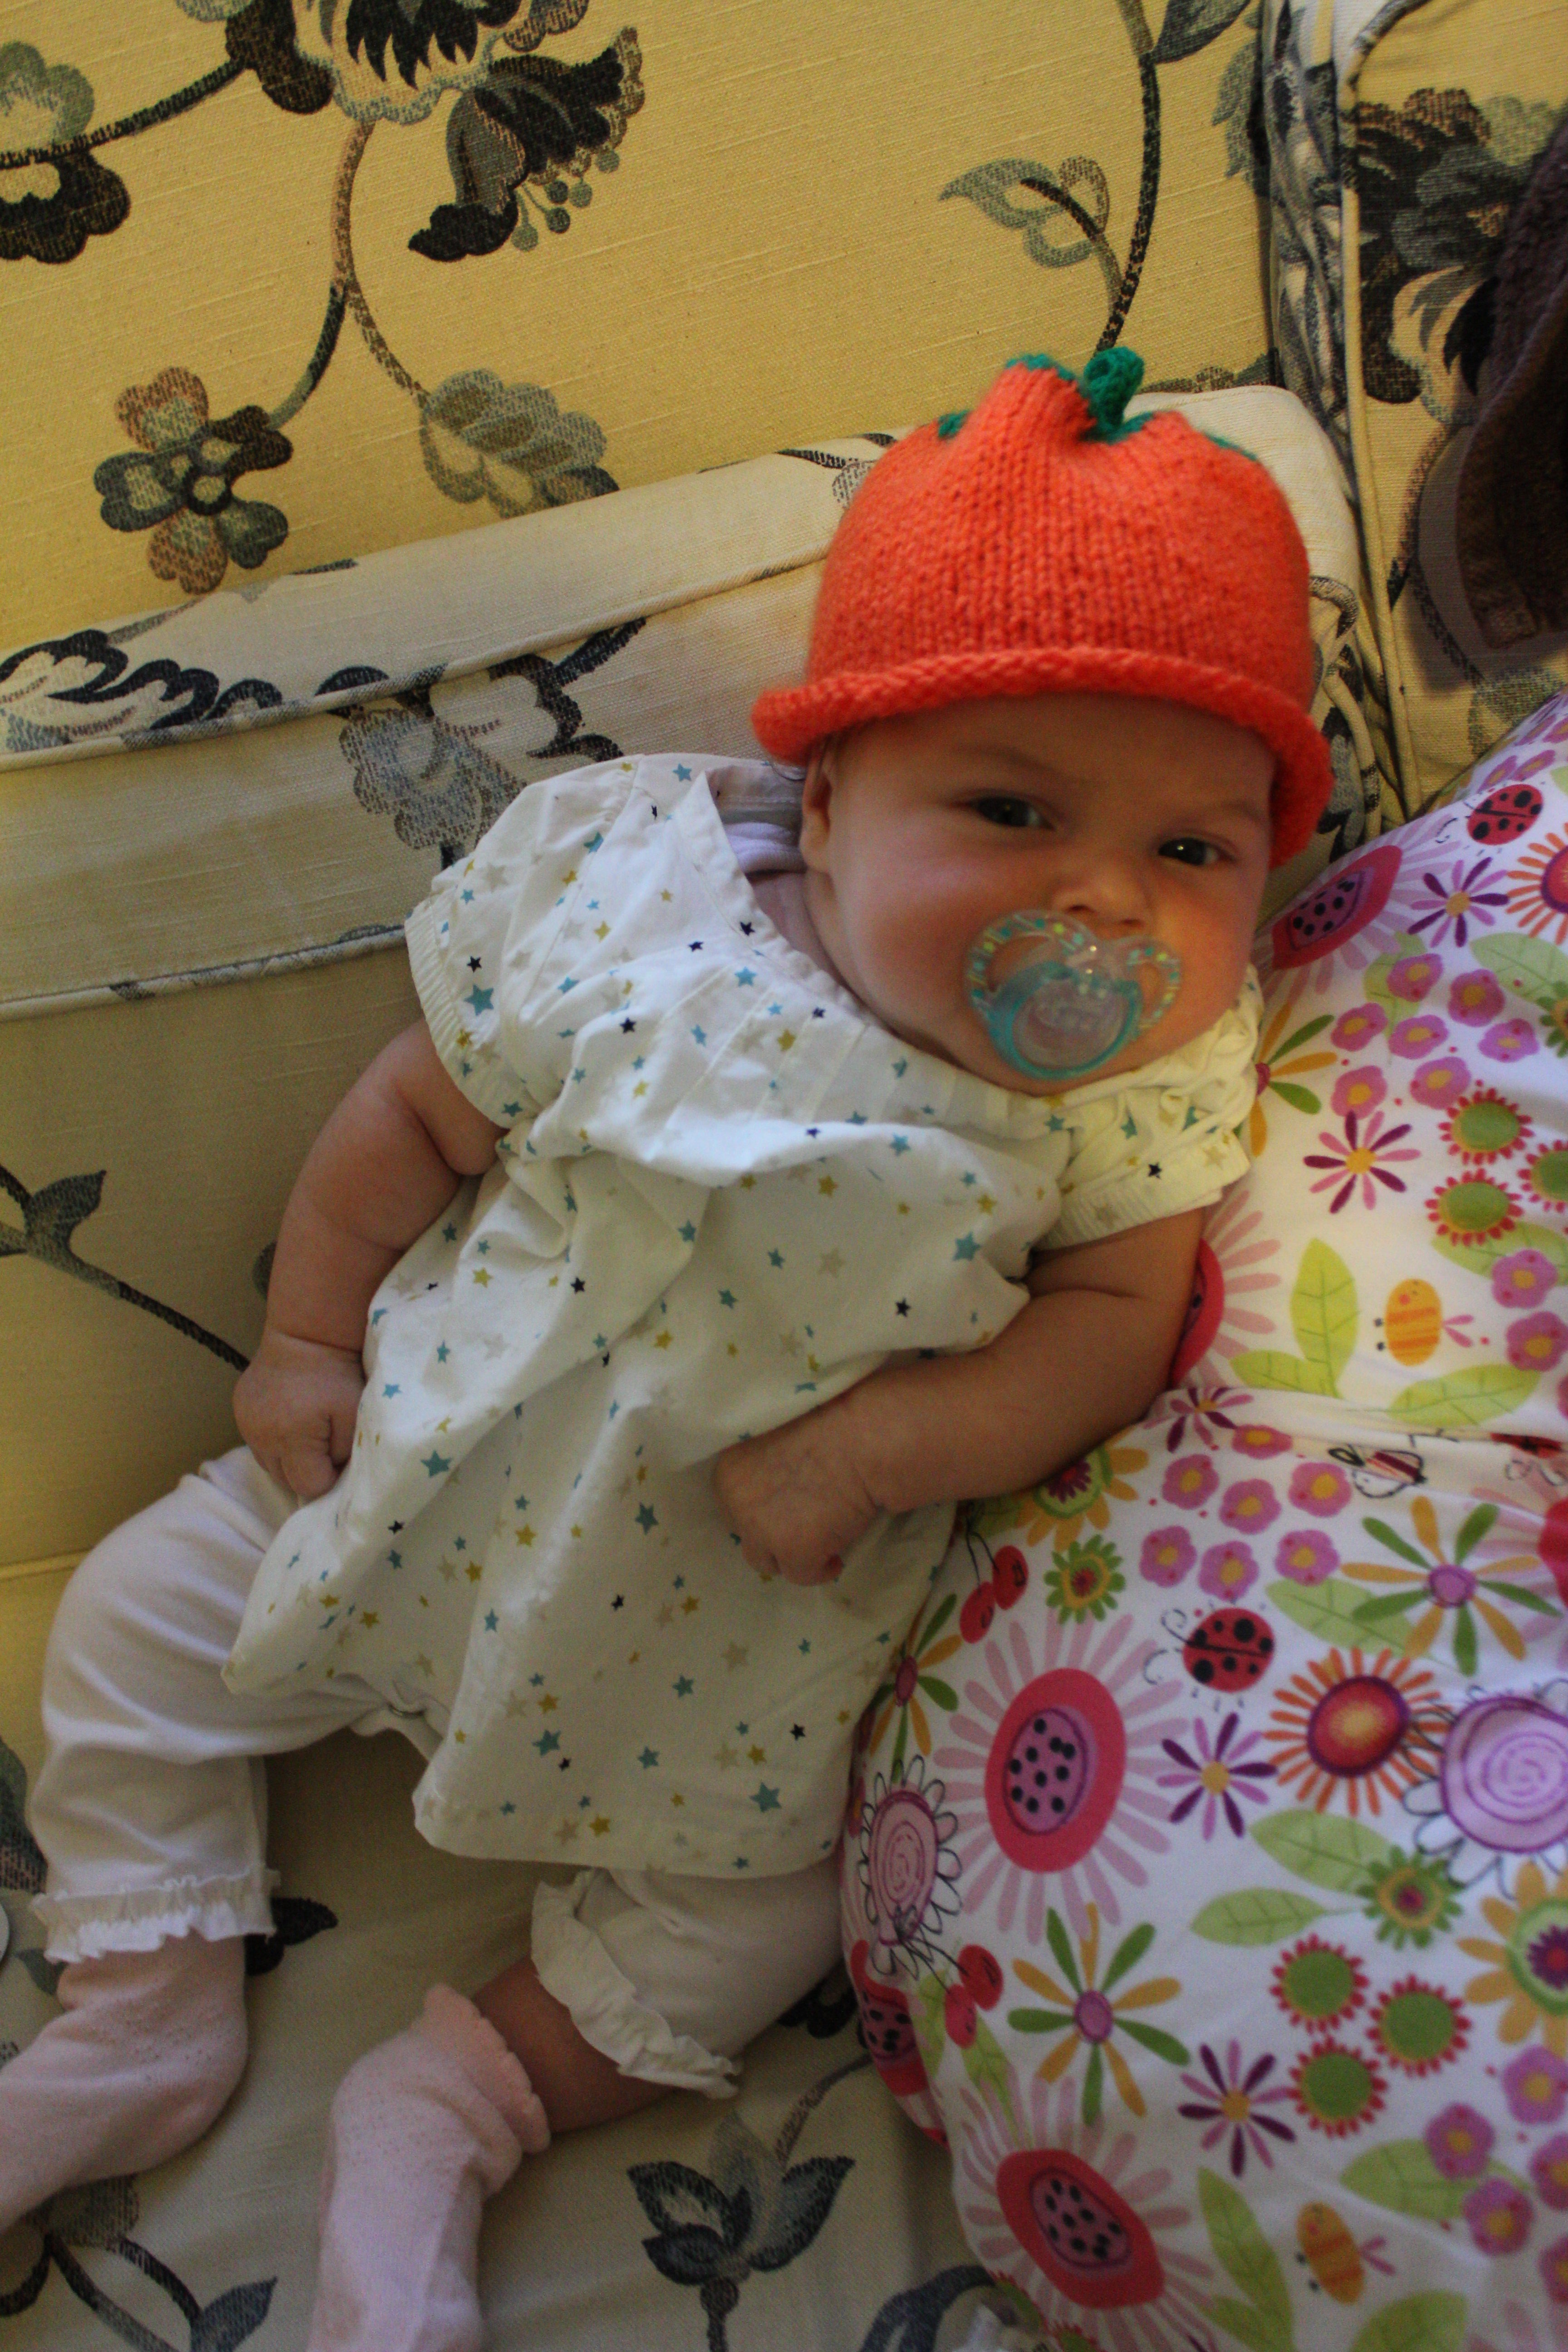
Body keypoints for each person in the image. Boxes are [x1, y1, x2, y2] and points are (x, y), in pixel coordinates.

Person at [3, 347, 1331, 2350]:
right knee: (126, 1624)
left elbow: (1115, 1330)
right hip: (415, 1480)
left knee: (765, 1917)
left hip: (737, 1639)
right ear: (831, 798)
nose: (1102, 900)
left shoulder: (1140, 1096)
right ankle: (145, 2009)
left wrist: (884, 1450)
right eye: (1011, 808)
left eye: (1196, 854)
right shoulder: (639, 896)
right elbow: (409, 1116)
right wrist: (300, 1345)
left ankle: (457, 2098)